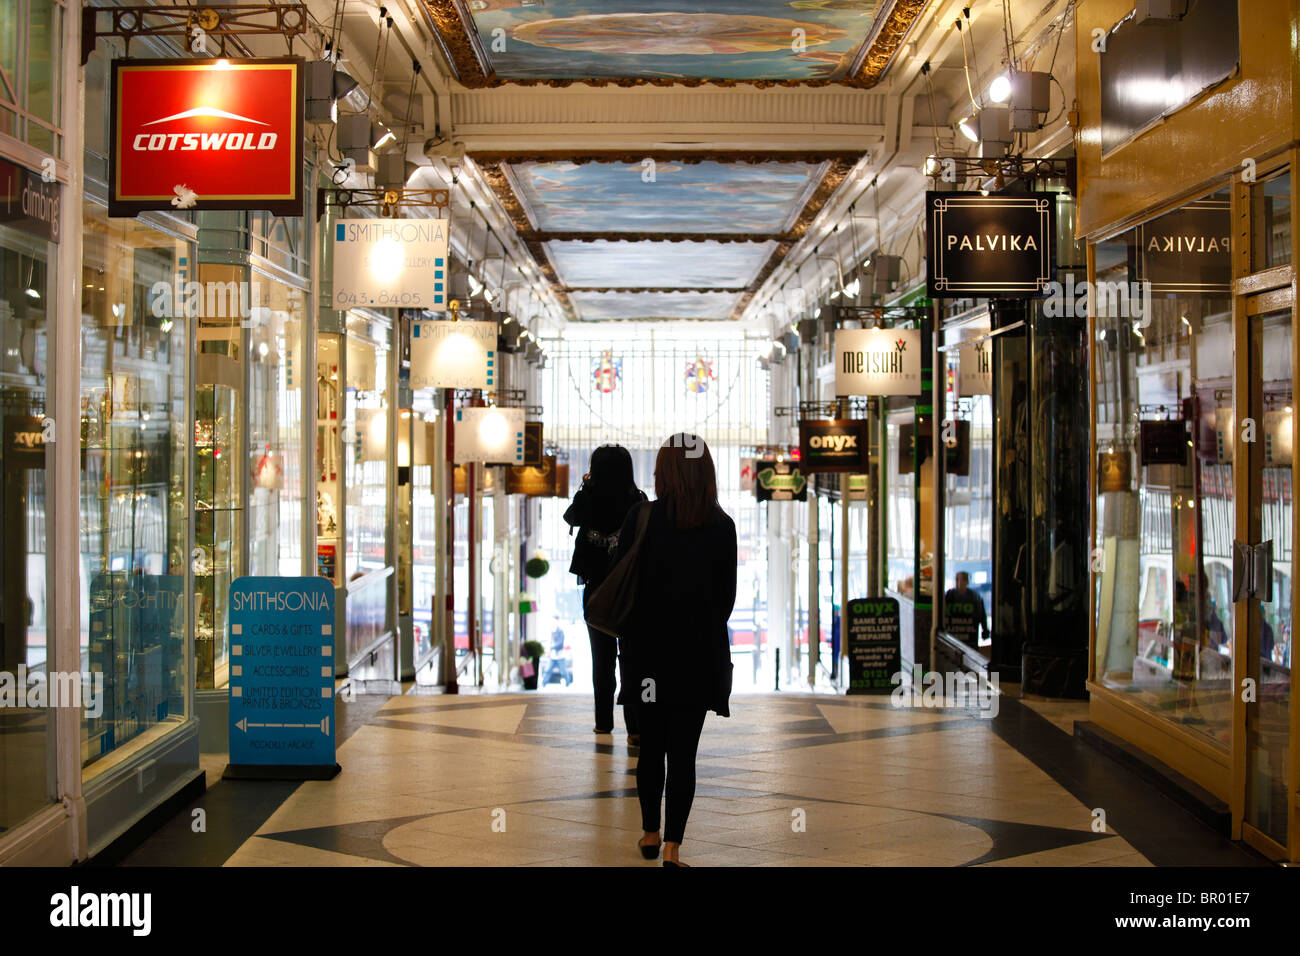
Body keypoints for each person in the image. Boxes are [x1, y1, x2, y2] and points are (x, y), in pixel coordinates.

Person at [615, 433, 736, 867]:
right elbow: (726, 601)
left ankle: (649, 832)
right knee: (684, 754)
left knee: (651, 749)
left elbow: (624, 584)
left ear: (663, 470)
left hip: (647, 657)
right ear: (707, 472)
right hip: (698, 659)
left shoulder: (641, 518)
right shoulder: (722, 526)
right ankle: (673, 848)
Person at [563, 444, 646, 739]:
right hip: (631, 593)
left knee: (602, 660)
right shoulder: (638, 502)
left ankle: (603, 722)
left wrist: (586, 487)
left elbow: (571, 518)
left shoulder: (588, 500)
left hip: (597, 593)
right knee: (633, 661)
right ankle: (635, 727)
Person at [943, 572, 988, 648]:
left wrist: (985, 630)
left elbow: (982, 616)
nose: (957, 582)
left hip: (969, 640)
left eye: (959, 580)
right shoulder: (949, 595)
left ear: (966, 582)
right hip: (953, 638)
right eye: (956, 580)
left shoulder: (975, 597)